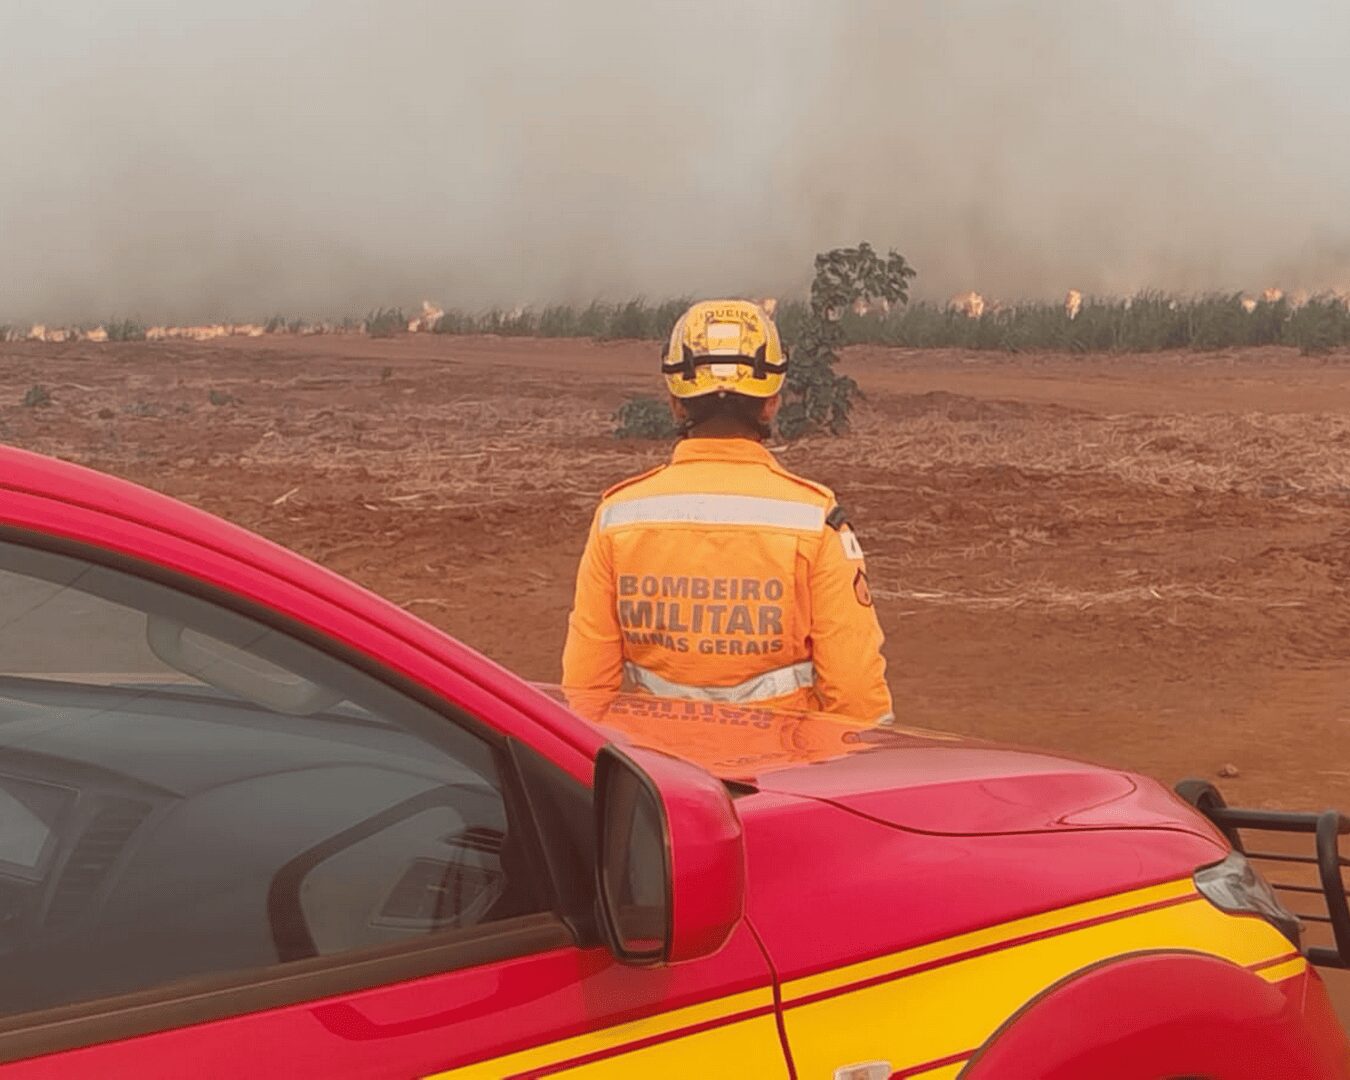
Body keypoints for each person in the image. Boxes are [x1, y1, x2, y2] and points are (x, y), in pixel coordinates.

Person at [561, 299, 893, 724]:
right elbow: (855, 696)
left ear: (676, 403)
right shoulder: (817, 521)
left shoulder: (618, 518)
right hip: (783, 766)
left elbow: (585, 695)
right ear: (772, 402)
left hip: (657, 765)